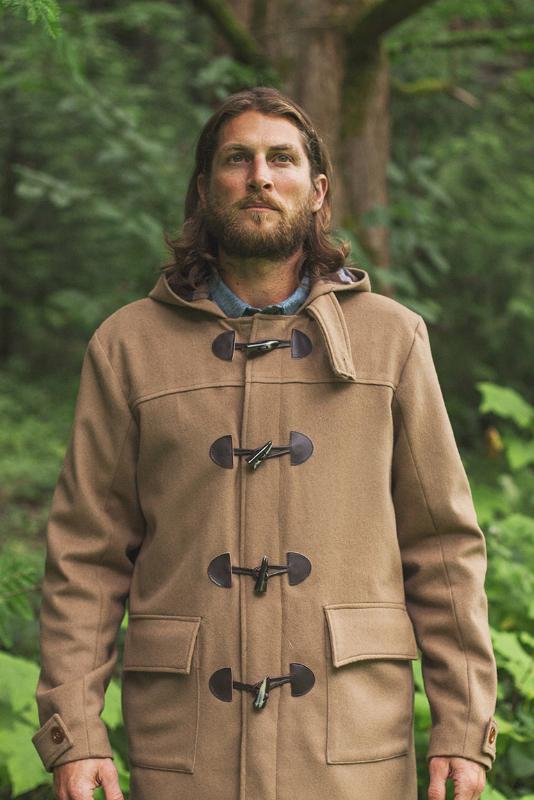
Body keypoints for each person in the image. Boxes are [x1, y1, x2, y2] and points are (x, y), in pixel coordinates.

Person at [31, 86, 498, 800]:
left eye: (281, 159)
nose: (259, 177)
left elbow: (442, 550)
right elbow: (86, 555)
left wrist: (464, 728)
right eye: (237, 159)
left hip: (350, 747)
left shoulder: (392, 339)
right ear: (203, 189)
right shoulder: (128, 346)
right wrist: (75, 731)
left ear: (317, 191)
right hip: (189, 746)